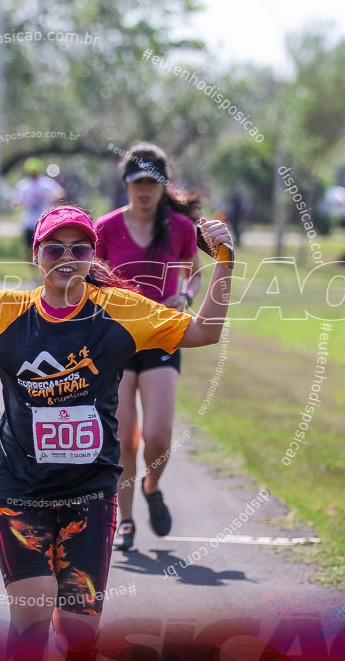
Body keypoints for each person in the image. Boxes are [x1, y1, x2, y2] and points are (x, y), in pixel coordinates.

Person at [0, 194, 233, 660]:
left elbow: (205, 332)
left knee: (78, 635)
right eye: (54, 248)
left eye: (80, 249)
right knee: (33, 619)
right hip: (18, 490)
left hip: (90, 493)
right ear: (36, 255)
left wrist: (225, 264)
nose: (67, 258)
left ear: (92, 256)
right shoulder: (4, 311)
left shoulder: (121, 309)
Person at [94, 141, 202, 552]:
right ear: (126, 184)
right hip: (117, 340)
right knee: (123, 437)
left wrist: (185, 297)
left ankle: (152, 487)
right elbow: (92, 278)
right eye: (137, 182)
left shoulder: (181, 229)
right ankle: (125, 521)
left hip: (161, 335)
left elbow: (195, 276)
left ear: (163, 186)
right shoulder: (105, 227)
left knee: (158, 435)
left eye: (152, 184)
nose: (144, 191)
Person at [12, 158, 65, 260]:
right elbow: (15, 202)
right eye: (31, 172)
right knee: (29, 249)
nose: (33, 174)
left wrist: (52, 197)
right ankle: (33, 273)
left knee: (44, 247)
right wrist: (18, 204)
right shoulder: (23, 185)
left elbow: (60, 192)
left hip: (44, 221)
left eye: (35, 171)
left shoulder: (46, 183)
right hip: (28, 222)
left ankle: (42, 271)